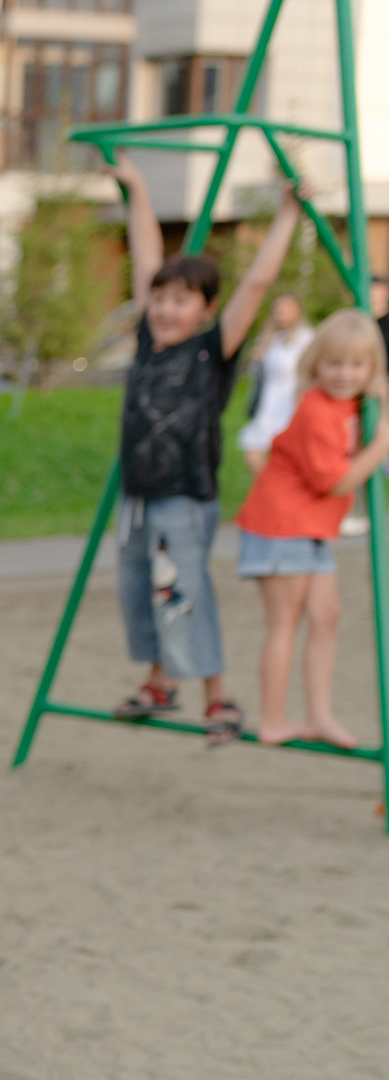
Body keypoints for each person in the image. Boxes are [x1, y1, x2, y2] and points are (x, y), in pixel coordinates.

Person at [104, 164, 304, 747]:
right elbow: (145, 257)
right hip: (138, 493)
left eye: (181, 301)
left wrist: (288, 213)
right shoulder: (147, 337)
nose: (165, 310)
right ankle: (160, 683)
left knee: (183, 590)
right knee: (138, 589)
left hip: (182, 496)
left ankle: (219, 696)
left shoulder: (210, 351)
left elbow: (258, 285)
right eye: (160, 299)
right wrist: (139, 190)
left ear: (206, 310)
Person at [231, 308, 389, 748]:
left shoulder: (352, 403)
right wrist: (381, 446)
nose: (344, 374)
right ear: (314, 364)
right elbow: (336, 481)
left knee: (327, 615)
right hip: (281, 523)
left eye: (356, 365)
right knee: (286, 620)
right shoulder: (316, 411)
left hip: (312, 527)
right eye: (334, 364)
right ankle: (274, 718)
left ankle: (319, 714)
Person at [237, 291, 311, 477]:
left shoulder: (305, 338)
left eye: (286, 307)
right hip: (268, 403)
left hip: (290, 403)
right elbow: (258, 374)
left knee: (283, 458)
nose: (280, 311)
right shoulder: (272, 337)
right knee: (253, 455)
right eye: (278, 307)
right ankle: (270, 489)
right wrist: (256, 360)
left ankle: (278, 493)